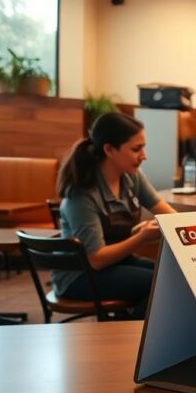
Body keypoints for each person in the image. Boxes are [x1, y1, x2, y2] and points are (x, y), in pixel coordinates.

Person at [55, 112, 176, 319]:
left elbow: (165, 211)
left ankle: (124, 327)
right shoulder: (82, 194)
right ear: (109, 149)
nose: (144, 155)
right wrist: (140, 238)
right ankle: (128, 338)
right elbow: (96, 259)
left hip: (116, 264)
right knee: (161, 286)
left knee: (176, 279)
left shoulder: (131, 176)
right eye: (136, 149)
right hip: (80, 276)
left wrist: (191, 229)